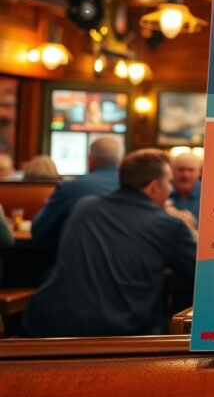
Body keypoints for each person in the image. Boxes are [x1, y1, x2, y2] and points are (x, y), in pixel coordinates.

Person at [24, 150, 197, 337]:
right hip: (118, 330)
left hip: (47, 321)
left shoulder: (85, 206)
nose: (171, 189)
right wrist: (188, 227)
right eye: (168, 182)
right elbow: (200, 271)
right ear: (154, 186)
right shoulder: (167, 224)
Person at [32, 136, 124, 244]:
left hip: (75, 257)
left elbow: (39, 230)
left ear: (90, 159)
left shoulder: (69, 188)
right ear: (121, 160)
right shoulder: (136, 189)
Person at [169, 152, 202, 221]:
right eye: (181, 170)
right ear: (171, 171)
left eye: (191, 170)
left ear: (199, 172)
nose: (185, 175)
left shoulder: (208, 195)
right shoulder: (160, 192)